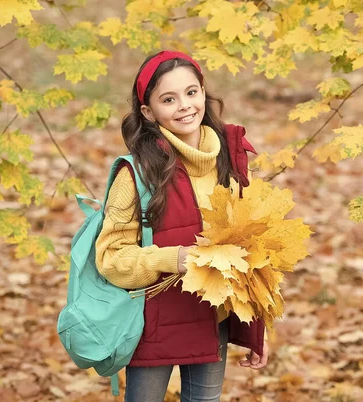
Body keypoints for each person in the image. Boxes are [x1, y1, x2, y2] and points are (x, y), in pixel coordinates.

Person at [95, 50, 269, 402]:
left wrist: (255, 328)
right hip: (153, 325)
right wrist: (172, 259)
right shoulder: (137, 174)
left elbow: (247, 253)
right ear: (148, 112)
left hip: (211, 319)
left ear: (204, 91)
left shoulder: (227, 160)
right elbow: (110, 258)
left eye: (191, 93)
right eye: (168, 99)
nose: (185, 106)